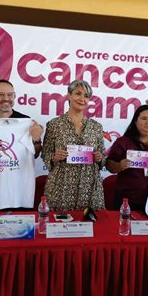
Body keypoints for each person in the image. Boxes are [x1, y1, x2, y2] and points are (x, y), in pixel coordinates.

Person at [42, 80, 105, 211]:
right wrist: (54, 156)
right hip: (61, 186)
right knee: (59, 226)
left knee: (91, 227)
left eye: (86, 96)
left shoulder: (96, 127)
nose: (82, 99)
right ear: (69, 95)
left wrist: (99, 157)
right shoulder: (54, 125)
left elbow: (102, 158)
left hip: (89, 187)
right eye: (78, 94)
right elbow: (46, 154)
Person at [106, 105, 148, 211]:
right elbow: (109, 165)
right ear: (135, 121)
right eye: (144, 118)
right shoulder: (123, 142)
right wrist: (119, 165)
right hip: (127, 200)